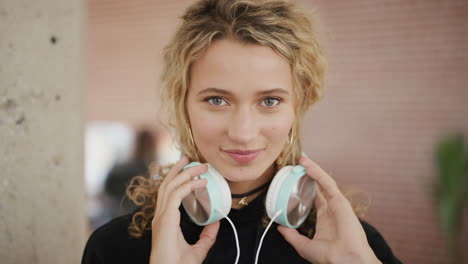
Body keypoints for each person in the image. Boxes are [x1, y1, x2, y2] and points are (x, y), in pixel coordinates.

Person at [82, 0, 402, 263]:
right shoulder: (117, 249)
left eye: (270, 100)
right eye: (217, 100)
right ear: (184, 107)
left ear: (297, 107)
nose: (243, 133)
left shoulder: (353, 247)